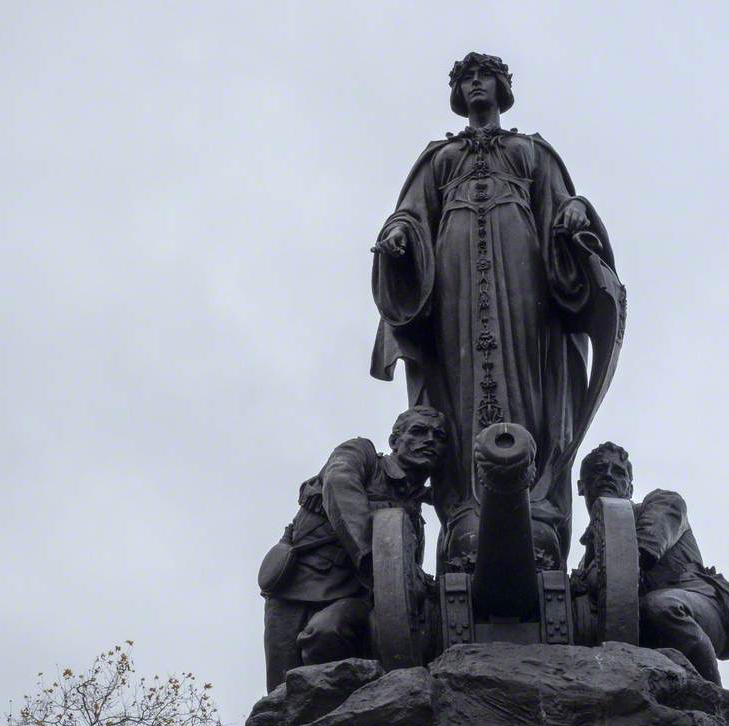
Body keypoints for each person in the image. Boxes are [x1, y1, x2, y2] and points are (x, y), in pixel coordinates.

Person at [371, 52, 619, 570]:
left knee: (530, 374)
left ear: (503, 87)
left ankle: (534, 502)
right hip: (456, 276)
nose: (476, 85)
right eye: (466, 78)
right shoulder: (440, 158)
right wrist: (400, 234)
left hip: (522, 267)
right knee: (458, 383)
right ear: (457, 94)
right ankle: (465, 506)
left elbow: (563, 204)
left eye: (485, 76)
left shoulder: (530, 150)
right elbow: (413, 213)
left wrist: (577, 209)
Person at [258, 406, 449, 692]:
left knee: (326, 632)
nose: (430, 439)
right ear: (395, 441)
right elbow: (339, 481)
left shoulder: (414, 511)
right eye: (418, 431)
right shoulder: (361, 454)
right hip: (300, 590)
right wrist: (370, 557)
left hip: (358, 600)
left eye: (439, 435)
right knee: (281, 696)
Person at [574, 442, 729, 686]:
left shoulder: (662, 502)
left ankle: (714, 695)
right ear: (581, 486)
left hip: (699, 602)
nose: (607, 476)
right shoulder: (587, 556)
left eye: (618, 472)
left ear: (629, 486)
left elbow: (635, 556)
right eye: (598, 470)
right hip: (640, 624)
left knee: (659, 607)